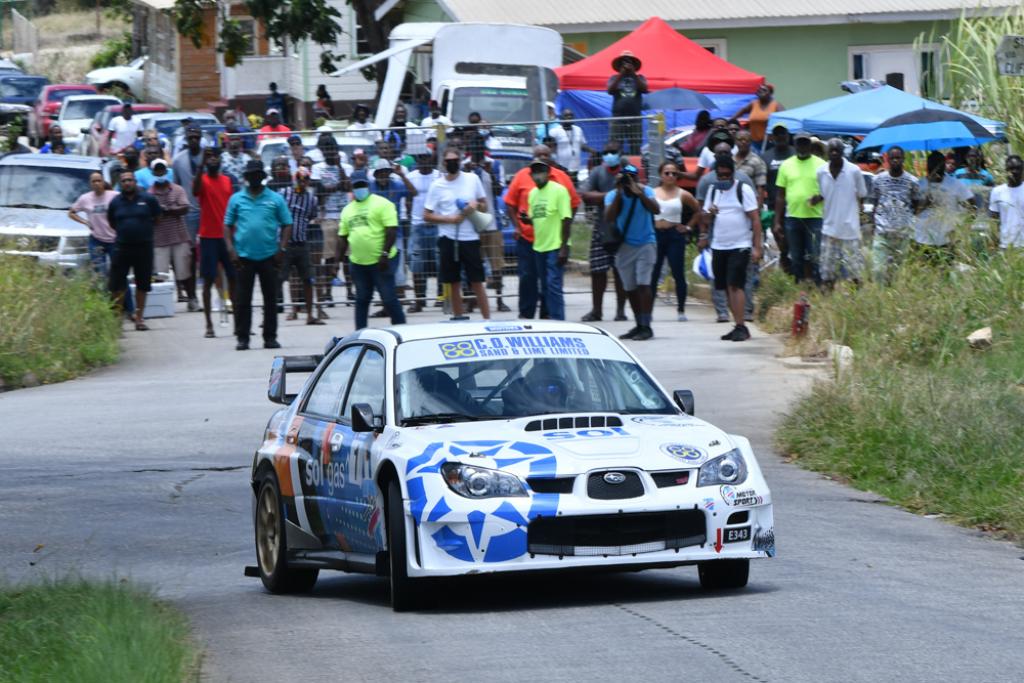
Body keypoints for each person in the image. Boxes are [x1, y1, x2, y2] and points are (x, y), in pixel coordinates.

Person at [505, 144, 581, 319]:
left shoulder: (561, 181)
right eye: (538, 155)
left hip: (554, 242)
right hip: (530, 239)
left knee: (552, 283)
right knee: (528, 279)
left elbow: (572, 207)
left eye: (545, 155)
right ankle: (527, 315)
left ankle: (553, 318)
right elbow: (512, 204)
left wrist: (564, 239)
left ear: (550, 158)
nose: (541, 158)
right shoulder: (527, 185)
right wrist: (520, 224)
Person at [224, 160, 293, 350]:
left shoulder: (275, 199)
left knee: (270, 299)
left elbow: (287, 223)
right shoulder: (236, 199)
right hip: (243, 257)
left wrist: (282, 249)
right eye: (251, 174)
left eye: (257, 174)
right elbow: (227, 225)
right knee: (242, 299)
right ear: (246, 178)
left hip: (269, 256)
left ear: (263, 177)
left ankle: (270, 337)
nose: (254, 177)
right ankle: (242, 338)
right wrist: (231, 249)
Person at [422, 146, 491, 320]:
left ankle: (487, 319)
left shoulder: (472, 179)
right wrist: (449, 219)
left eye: (455, 160)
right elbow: (427, 215)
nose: (452, 163)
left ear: (460, 161)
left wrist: (475, 206)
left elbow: (485, 205)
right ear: (444, 163)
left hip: (470, 237)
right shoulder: (437, 185)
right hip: (448, 238)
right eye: (449, 161)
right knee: (453, 281)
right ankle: (459, 316)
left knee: (477, 281)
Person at [700, 158, 763, 342]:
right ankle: (737, 324)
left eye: (727, 174)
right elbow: (704, 220)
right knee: (726, 287)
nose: (724, 177)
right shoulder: (712, 191)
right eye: (720, 175)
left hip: (740, 245)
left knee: (736, 285)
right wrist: (709, 213)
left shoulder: (742, 190)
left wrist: (757, 247)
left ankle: (742, 325)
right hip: (719, 245)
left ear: (733, 173)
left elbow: (755, 219)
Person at [339, 177, 407, 329]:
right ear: (352, 188)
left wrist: (384, 254)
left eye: (362, 185)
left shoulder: (382, 203)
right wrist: (338, 261)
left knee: (389, 298)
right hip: (358, 262)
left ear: (368, 186)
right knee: (362, 299)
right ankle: (360, 333)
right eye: (356, 186)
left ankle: (402, 330)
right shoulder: (347, 210)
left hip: (382, 260)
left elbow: (391, 230)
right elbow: (343, 237)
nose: (359, 188)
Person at [605, 163, 659, 340]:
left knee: (644, 284)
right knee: (630, 288)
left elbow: (656, 209)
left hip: (646, 243)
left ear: (637, 178)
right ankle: (638, 324)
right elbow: (609, 217)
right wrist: (620, 193)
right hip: (625, 246)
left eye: (632, 178)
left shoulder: (647, 191)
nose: (629, 181)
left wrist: (639, 193)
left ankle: (646, 325)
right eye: (626, 178)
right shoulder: (613, 195)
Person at [579, 143, 628, 322]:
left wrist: (602, 196)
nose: (609, 155)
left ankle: (621, 310)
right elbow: (586, 195)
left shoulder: (627, 171)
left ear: (620, 153)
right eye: (606, 152)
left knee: (620, 271)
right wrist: (613, 194)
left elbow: (631, 194)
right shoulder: (597, 172)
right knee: (598, 271)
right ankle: (596, 310)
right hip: (602, 228)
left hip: (624, 229)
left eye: (613, 152)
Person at [107, 170, 162, 331]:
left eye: (130, 180)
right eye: (123, 181)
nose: (127, 183)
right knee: (117, 284)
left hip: (144, 247)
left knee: (142, 283)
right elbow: (112, 222)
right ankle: (117, 320)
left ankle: (139, 318)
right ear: (120, 183)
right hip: (122, 247)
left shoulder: (148, 199)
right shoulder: (115, 202)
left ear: (135, 182)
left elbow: (158, 218)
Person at [193, 147, 236, 338]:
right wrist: (201, 163)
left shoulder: (227, 181)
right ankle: (209, 324)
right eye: (209, 158)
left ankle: (239, 323)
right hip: (208, 237)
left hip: (226, 236)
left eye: (215, 157)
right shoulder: (201, 179)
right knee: (208, 281)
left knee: (234, 279)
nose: (212, 160)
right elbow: (194, 190)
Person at [652, 161, 701, 321]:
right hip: (657, 233)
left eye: (674, 173)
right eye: (667, 173)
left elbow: (698, 210)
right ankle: (648, 310)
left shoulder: (682, 194)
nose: (671, 176)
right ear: (661, 175)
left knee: (677, 272)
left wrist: (688, 227)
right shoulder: (652, 192)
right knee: (654, 272)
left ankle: (681, 309)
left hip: (674, 234)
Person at [815, 138, 868, 287]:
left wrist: (859, 217)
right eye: (831, 150)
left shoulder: (854, 171)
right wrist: (816, 199)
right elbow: (824, 194)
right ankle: (827, 304)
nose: (834, 153)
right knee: (826, 272)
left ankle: (855, 302)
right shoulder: (821, 172)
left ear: (843, 152)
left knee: (855, 272)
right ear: (826, 152)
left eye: (837, 150)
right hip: (829, 228)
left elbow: (862, 195)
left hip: (850, 229)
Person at [525, 159, 573, 320]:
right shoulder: (532, 194)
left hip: (556, 245)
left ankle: (559, 321)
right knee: (544, 286)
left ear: (548, 173)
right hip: (540, 246)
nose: (538, 175)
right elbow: (537, 217)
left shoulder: (559, 191)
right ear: (531, 175)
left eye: (541, 171)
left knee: (553, 285)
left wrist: (564, 246)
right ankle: (550, 317)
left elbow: (566, 219)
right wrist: (527, 220)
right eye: (535, 172)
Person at [774, 131, 824, 283]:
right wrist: (777, 221)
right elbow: (780, 195)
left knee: (815, 255)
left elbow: (830, 190)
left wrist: (820, 197)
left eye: (805, 142)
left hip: (815, 217)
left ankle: (816, 287)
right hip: (793, 217)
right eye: (799, 143)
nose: (802, 146)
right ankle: (799, 286)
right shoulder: (786, 165)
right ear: (794, 145)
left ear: (810, 144)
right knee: (796, 256)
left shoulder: (821, 165)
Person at [277, 168, 323, 326]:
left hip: (301, 243)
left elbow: (311, 216)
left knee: (307, 279)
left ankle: (310, 314)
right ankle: (272, 314)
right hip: (285, 243)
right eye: (299, 178)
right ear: (294, 178)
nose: (302, 181)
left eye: (305, 179)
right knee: (278, 279)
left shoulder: (311, 199)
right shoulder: (284, 193)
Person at [868, 146, 921, 281]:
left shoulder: (912, 182)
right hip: (882, 233)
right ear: (887, 159)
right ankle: (880, 296)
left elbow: (916, 205)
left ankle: (894, 298)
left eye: (898, 158)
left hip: (903, 234)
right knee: (878, 270)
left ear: (903, 159)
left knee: (898, 274)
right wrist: (871, 224)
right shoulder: (877, 180)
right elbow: (873, 203)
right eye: (892, 158)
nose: (895, 161)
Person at [148, 162, 196, 310]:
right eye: (157, 171)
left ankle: (192, 299)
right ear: (153, 173)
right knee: (159, 275)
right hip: (159, 240)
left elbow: (185, 208)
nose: (160, 173)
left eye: (162, 170)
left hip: (179, 237)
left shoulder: (177, 189)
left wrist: (168, 210)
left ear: (166, 171)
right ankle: (160, 304)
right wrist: (157, 212)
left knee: (185, 271)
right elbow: (148, 215)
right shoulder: (149, 194)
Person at [311, 140, 352, 305]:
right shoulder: (317, 168)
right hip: (327, 215)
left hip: (345, 215)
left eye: (332, 149)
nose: (330, 152)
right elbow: (318, 190)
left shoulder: (346, 167)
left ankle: (350, 292)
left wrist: (340, 167)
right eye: (326, 149)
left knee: (348, 257)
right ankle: (328, 293)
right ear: (322, 150)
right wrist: (336, 186)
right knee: (329, 257)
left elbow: (348, 187)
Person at [914, 151, 974, 260]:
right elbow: (912, 211)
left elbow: (972, 206)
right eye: (932, 165)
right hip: (922, 241)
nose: (935, 168)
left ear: (943, 166)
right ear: (927, 166)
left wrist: (962, 228)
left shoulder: (955, 184)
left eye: (939, 165)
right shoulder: (919, 185)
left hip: (947, 241)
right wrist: (925, 203)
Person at [407, 151, 441, 312]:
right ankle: (419, 300)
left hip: (436, 224)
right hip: (418, 225)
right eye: (420, 157)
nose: (423, 160)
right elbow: (408, 198)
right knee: (417, 264)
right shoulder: (412, 176)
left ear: (431, 158)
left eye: (426, 157)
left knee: (441, 263)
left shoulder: (438, 175)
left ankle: (441, 298)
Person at [69, 171, 120, 278]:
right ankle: (102, 292)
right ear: (90, 184)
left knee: (117, 270)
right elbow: (71, 213)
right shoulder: (85, 198)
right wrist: (85, 222)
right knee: (99, 272)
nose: (97, 183)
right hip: (96, 240)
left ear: (103, 182)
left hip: (114, 240)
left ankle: (115, 292)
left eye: (99, 181)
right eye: (94, 181)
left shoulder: (114, 195)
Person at [607, 50, 647, 154]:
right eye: (624, 62)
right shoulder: (614, 78)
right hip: (618, 118)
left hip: (635, 118)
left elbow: (644, 89)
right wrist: (621, 74)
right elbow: (610, 91)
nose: (627, 65)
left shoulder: (640, 78)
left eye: (629, 62)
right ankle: (618, 167)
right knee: (615, 146)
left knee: (635, 146)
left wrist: (633, 73)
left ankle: (633, 168)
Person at [548, 109, 596, 180]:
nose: (569, 117)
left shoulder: (578, 130)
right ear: (561, 118)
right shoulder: (554, 131)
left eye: (571, 115)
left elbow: (581, 145)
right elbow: (550, 148)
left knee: (574, 187)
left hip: (575, 167)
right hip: (561, 167)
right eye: (566, 115)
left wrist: (591, 150)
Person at [989, 155, 1024, 249]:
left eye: (1018, 168)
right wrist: (994, 242)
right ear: (1006, 170)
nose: (1014, 172)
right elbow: (994, 219)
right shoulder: (997, 191)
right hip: (1005, 245)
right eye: (1011, 168)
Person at [736, 84, 784, 151]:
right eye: (759, 90)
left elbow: (784, 119)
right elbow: (743, 110)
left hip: (769, 143)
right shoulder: (754, 104)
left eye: (764, 90)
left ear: (770, 93)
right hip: (754, 142)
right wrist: (731, 120)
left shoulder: (776, 105)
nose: (761, 91)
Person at [734, 130, 768, 204]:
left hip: (749, 202)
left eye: (746, 140)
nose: (743, 142)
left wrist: (759, 208)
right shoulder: (730, 160)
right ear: (735, 142)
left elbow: (761, 187)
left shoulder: (757, 161)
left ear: (750, 142)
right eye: (740, 140)